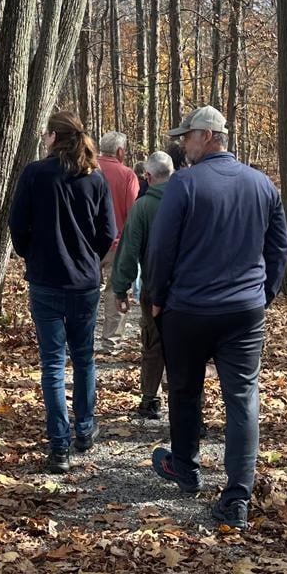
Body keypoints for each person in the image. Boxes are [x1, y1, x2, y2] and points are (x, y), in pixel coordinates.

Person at [144, 106, 287, 529]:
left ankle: (186, 466)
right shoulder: (262, 185)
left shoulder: (185, 184)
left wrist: (157, 296)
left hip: (188, 310)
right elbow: (278, 249)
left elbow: (161, 249)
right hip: (243, 311)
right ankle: (236, 497)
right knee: (242, 398)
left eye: (188, 137)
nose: (183, 144)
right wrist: (264, 294)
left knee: (185, 391)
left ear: (208, 136)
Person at [9, 110, 117, 473]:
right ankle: (84, 429)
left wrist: (35, 256)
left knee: (54, 364)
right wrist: (89, 259)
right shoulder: (94, 179)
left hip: (47, 281)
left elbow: (17, 225)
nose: (43, 138)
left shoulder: (36, 174)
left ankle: (61, 445)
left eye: (45, 133)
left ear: (55, 137)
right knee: (84, 357)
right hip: (83, 282)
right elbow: (107, 232)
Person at [108, 150, 175, 420]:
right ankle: (189, 404)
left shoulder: (144, 206)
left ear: (147, 176)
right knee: (187, 346)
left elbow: (129, 250)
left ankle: (150, 399)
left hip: (153, 287)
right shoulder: (190, 200)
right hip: (189, 289)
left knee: (152, 342)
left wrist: (120, 288)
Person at [94, 131, 140, 352]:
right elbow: (134, 213)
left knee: (86, 291)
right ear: (120, 151)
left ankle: (81, 338)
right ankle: (110, 342)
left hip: (86, 246)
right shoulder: (127, 175)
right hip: (116, 244)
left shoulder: (87, 169)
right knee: (115, 291)